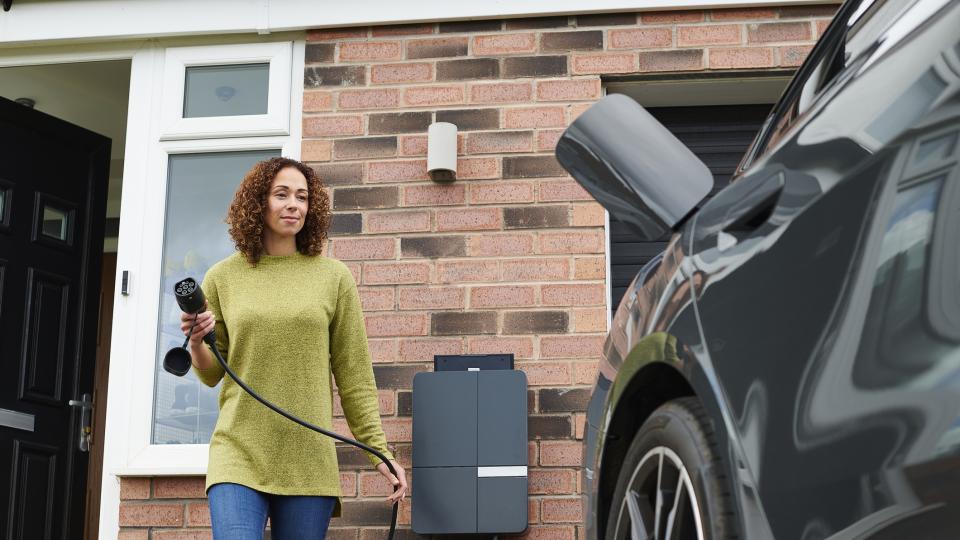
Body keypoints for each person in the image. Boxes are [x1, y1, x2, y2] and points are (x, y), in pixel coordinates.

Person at [180, 157, 407, 540]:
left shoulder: (332, 277)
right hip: (239, 451)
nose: (293, 205)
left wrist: (378, 452)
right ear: (258, 203)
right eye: (281, 194)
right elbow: (211, 372)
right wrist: (197, 342)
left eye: (302, 197)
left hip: (308, 457)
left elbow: (354, 376)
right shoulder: (222, 277)